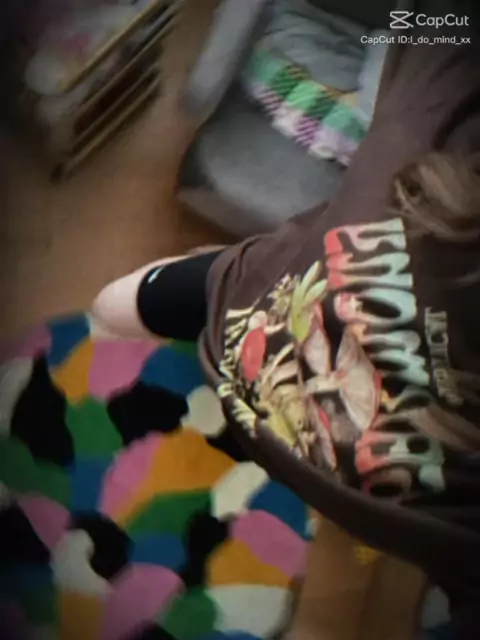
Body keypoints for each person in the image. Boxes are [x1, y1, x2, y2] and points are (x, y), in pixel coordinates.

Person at [93, 19, 480, 637]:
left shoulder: (447, 51)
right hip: (417, 516)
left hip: (258, 361)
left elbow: (421, 23)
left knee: (117, 303)